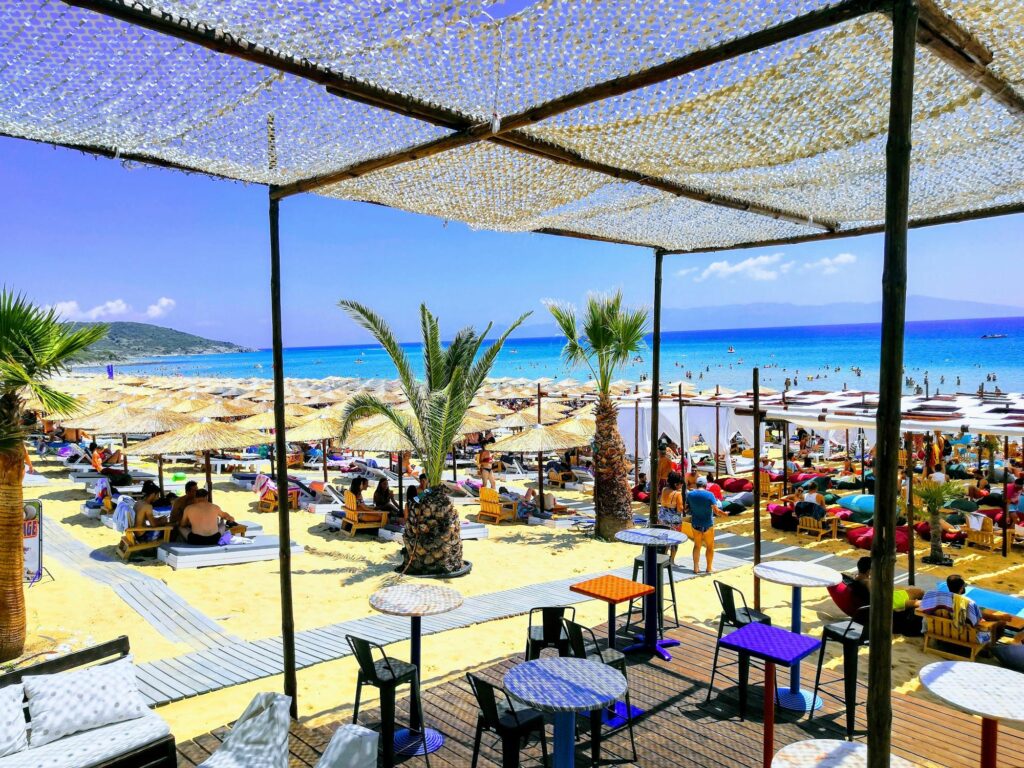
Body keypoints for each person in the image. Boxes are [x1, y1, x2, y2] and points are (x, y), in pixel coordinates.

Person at [919, 574, 1011, 643]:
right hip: (964, 637)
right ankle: (989, 649)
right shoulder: (967, 603)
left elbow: (922, 610)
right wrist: (999, 618)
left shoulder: (935, 598)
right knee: (1000, 624)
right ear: (962, 588)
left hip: (939, 632)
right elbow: (978, 621)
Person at [850, 556, 923, 612]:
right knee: (920, 602)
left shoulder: (858, 578)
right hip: (891, 602)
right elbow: (877, 599)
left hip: (892, 595)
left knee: (919, 592)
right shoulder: (867, 582)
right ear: (869, 571)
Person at [687, 476, 726, 573]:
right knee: (709, 547)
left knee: (697, 546)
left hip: (695, 523)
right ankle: (709, 568)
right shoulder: (709, 495)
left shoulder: (690, 494)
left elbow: (687, 508)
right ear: (705, 485)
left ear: (697, 485)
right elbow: (716, 511)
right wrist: (724, 514)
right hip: (707, 524)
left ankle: (696, 568)